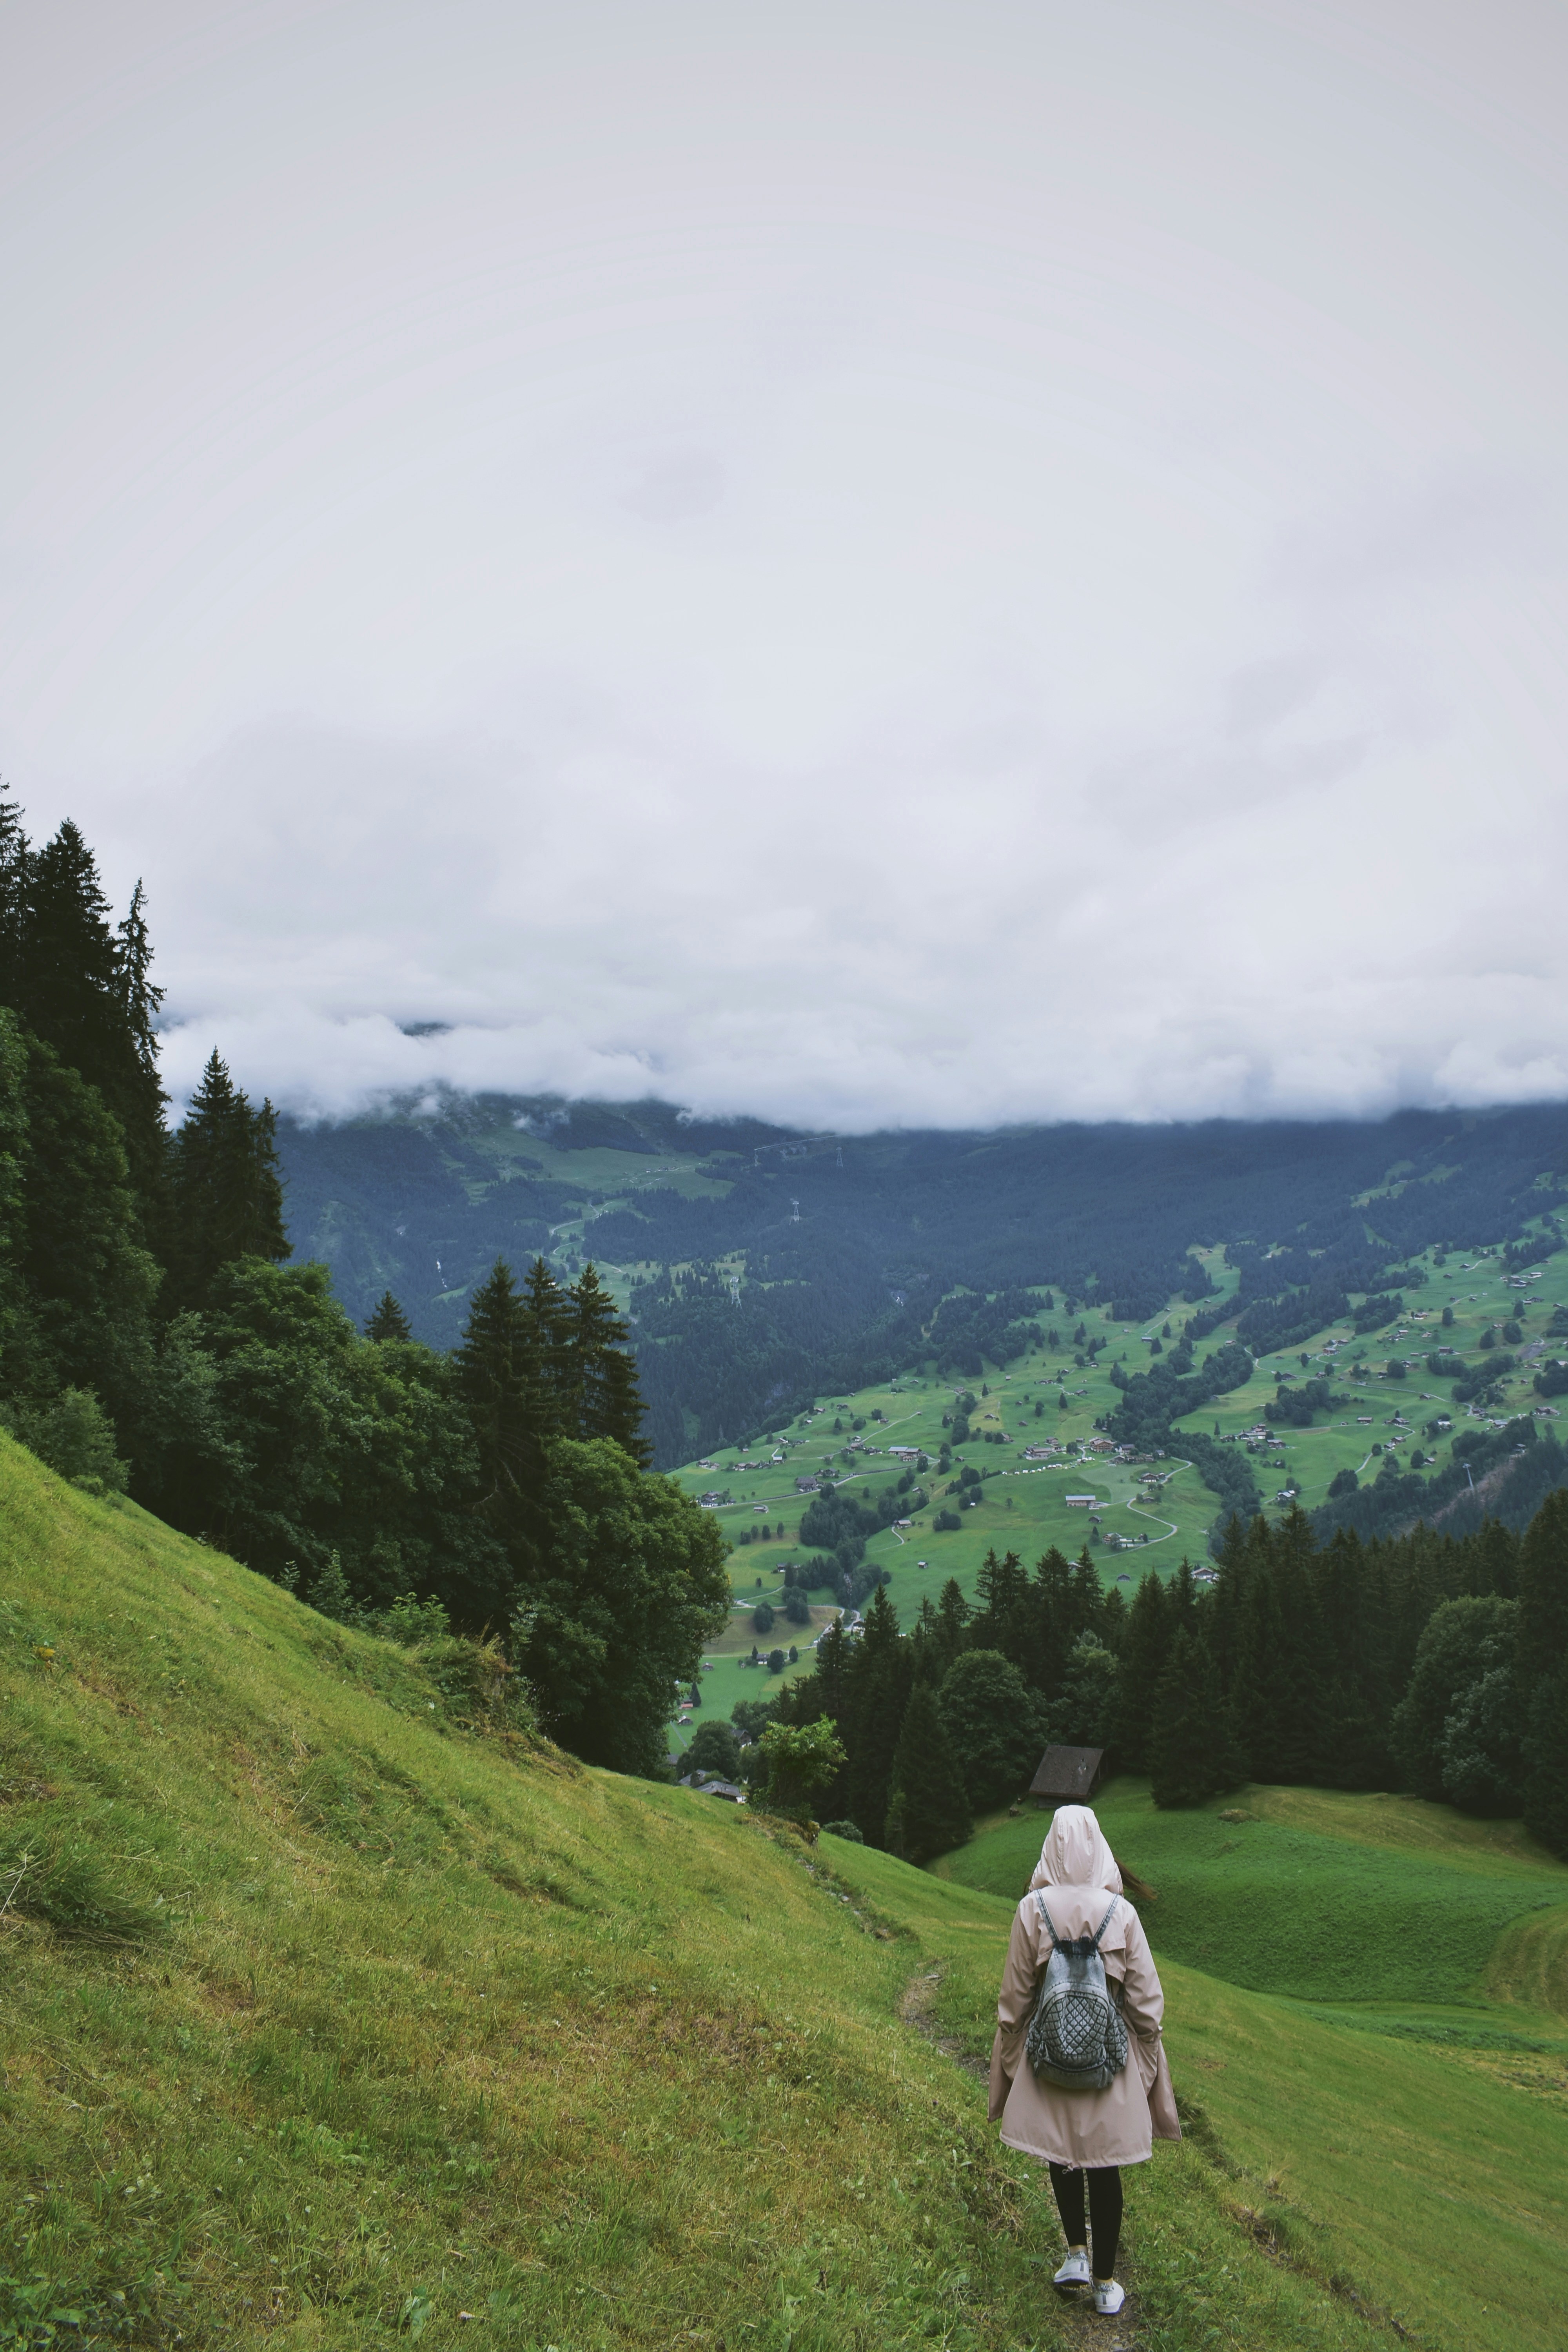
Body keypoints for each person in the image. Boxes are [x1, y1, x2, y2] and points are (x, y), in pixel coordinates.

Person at [988, 1805, 1179, 2317]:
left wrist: (1012, 2045)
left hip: (1048, 2054)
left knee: (1061, 2150)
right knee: (1105, 2164)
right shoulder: (1124, 1914)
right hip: (1108, 2059)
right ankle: (1105, 2282)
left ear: (1051, 1845)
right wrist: (1142, 2053)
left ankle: (1075, 2252)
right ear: (1099, 1847)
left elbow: (1015, 1996)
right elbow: (1146, 2002)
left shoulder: (1032, 1909)